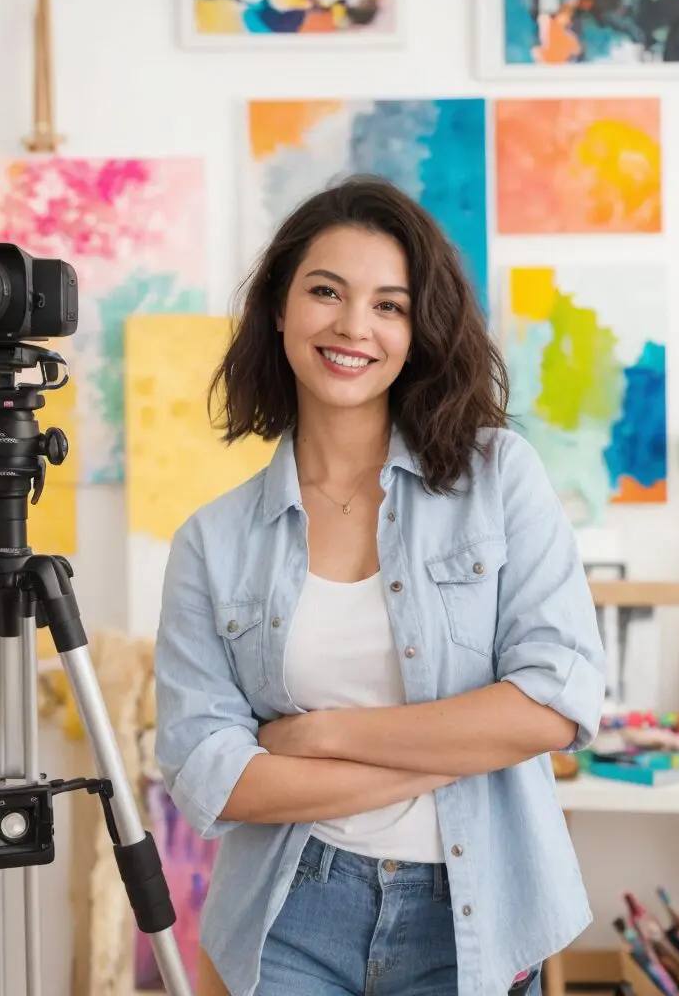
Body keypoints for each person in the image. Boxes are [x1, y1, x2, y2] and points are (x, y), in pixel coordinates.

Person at [154, 175, 606, 996]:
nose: (354, 326)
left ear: (417, 329)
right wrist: (447, 757)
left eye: (389, 305)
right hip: (292, 912)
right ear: (280, 309)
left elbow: (552, 702)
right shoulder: (212, 543)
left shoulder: (498, 478)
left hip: (475, 911)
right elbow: (216, 774)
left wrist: (322, 734)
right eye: (326, 291)